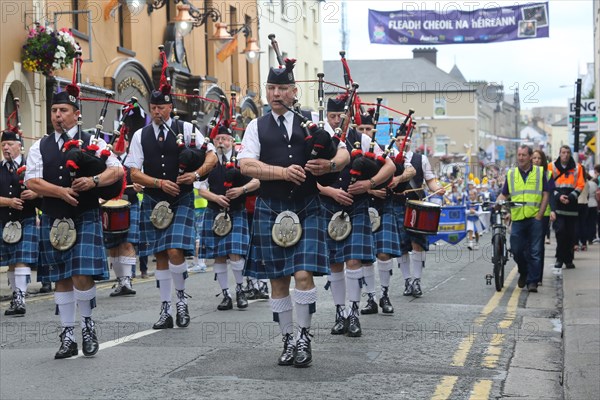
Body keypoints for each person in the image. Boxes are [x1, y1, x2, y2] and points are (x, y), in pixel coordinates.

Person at [238, 60, 349, 368]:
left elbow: (344, 152)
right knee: (277, 280)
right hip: (270, 208)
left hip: (307, 206)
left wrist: (329, 166)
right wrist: (282, 172)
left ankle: (303, 336)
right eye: (272, 88)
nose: (276, 94)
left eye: (283, 88)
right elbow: (246, 165)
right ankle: (287, 338)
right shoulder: (255, 126)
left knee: (303, 274)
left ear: (294, 91)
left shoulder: (313, 121)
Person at [25, 91, 124, 358]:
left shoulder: (93, 140)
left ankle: (88, 326)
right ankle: (68, 335)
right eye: (54, 110)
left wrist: (93, 181)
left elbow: (117, 170)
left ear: (76, 114)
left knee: (81, 274)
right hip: (54, 217)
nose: (57, 115)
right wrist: (60, 192)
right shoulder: (40, 146)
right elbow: (31, 181)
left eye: (63, 110)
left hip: (85, 215)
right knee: (61, 278)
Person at [125, 86, 217, 330]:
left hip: (181, 199)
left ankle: (181, 301)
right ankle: (165, 309)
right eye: (153, 108)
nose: (157, 112)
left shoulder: (186, 129)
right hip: (155, 201)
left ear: (170, 108)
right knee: (161, 255)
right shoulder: (140, 136)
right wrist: (158, 183)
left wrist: (196, 174)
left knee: (175, 250)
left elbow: (212, 156)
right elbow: (133, 171)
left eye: (161, 107)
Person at [320, 96, 397, 337]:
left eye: (340, 117)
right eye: (332, 117)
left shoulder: (362, 139)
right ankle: (339, 312)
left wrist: (368, 184)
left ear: (349, 118)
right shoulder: (319, 139)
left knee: (353, 261)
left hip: (356, 206)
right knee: (334, 263)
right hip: (328, 206)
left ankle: (354, 313)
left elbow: (391, 167)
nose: (336, 121)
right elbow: (306, 175)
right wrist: (329, 190)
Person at [197, 124, 259, 310]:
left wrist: (242, 189)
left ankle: (240, 290)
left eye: (224, 139)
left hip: (236, 210)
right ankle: (226, 294)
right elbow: (200, 188)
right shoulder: (209, 162)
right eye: (218, 139)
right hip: (214, 212)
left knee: (235, 253)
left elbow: (257, 180)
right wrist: (216, 197)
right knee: (219, 256)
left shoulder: (242, 160)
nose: (221, 142)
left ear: (232, 141)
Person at [394, 132, 445, 298]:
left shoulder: (420, 159)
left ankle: (417, 280)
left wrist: (437, 189)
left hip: (417, 206)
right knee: (401, 245)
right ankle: (407, 280)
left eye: (406, 139)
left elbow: (430, 180)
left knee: (418, 243)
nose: (403, 142)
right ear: (395, 141)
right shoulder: (390, 158)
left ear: (411, 141)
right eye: (399, 139)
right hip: (397, 204)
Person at [497, 145, 549, 292]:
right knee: (516, 249)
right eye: (519, 155)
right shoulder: (511, 174)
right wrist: (497, 202)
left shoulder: (539, 172)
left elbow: (546, 194)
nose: (520, 157)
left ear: (530, 157)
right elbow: (504, 194)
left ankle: (532, 281)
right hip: (518, 218)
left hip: (534, 217)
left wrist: (540, 214)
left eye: (524, 155)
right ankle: (524, 271)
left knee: (535, 251)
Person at [1, 129, 40, 316]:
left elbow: (45, 188)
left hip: (27, 218)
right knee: (11, 261)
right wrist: (7, 201)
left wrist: (35, 193)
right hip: (5, 221)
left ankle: (20, 298)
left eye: (9, 144)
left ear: (20, 146)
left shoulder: (30, 167)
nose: (6, 148)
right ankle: (16, 296)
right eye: (3, 145)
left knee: (21, 259)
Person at [104, 136, 142, 297]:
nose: (119, 143)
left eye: (122, 140)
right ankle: (120, 280)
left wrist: (141, 185)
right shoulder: (106, 159)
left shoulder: (134, 160)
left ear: (127, 143)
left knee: (127, 243)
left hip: (130, 203)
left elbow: (142, 178)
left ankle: (127, 280)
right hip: (109, 206)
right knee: (113, 245)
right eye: (115, 141)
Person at [548, 146, 585, 269]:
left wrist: (571, 197)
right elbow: (549, 185)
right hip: (558, 205)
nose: (566, 155)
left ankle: (568, 260)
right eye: (563, 152)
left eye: (568, 152)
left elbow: (580, 184)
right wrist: (558, 196)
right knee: (560, 232)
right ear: (559, 154)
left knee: (570, 234)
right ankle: (560, 258)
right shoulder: (551, 166)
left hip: (572, 205)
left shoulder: (578, 167)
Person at [532, 149, 553, 285]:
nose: (536, 161)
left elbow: (551, 194)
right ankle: (529, 273)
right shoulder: (525, 174)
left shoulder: (548, 174)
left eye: (539, 158)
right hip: (527, 213)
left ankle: (537, 277)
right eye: (534, 158)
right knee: (526, 246)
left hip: (543, 214)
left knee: (538, 246)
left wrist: (553, 210)